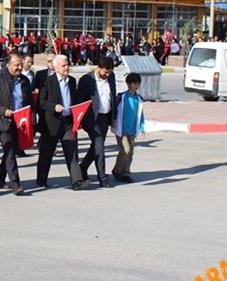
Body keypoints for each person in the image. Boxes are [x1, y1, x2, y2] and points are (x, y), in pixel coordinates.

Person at [37, 55, 86, 190]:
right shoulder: (48, 81)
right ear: (56, 67)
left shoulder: (72, 81)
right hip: (52, 122)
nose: (67, 68)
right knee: (47, 153)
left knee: (72, 152)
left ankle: (77, 181)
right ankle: (41, 179)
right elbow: (41, 102)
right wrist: (54, 107)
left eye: (67, 65)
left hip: (68, 122)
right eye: (63, 66)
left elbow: (75, 101)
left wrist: (78, 119)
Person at [0, 53, 33, 195]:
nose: (20, 67)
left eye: (21, 64)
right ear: (8, 65)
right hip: (4, 120)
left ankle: (0, 179)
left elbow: (29, 101)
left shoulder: (24, 80)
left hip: (20, 121)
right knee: (9, 151)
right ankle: (16, 183)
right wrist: (3, 111)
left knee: (11, 150)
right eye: (16, 65)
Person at [77, 57, 117, 188]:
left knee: (96, 146)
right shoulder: (86, 80)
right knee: (99, 145)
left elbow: (113, 96)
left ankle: (82, 167)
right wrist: (80, 121)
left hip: (105, 117)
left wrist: (114, 117)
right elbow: (79, 101)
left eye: (110, 72)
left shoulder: (111, 77)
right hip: (92, 119)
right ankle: (103, 178)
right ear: (98, 68)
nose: (108, 75)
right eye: (105, 72)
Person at [111, 73, 146, 183]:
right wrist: (113, 122)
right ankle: (117, 170)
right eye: (133, 83)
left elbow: (141, 116)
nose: (135, 85)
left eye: (137, 83)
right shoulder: (121, 97)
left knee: (130, 152)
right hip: (121, 130)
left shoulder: (139, 99)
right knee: (125, 150)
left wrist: (141, 129)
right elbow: (114, 112)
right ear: (128, 84)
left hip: (132, 130)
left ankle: (125, 172)